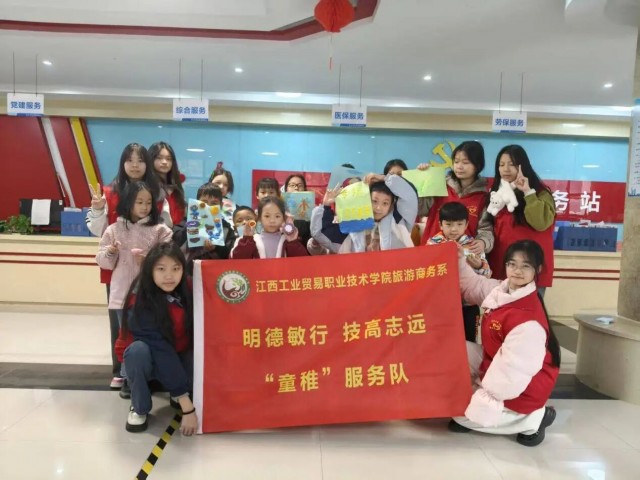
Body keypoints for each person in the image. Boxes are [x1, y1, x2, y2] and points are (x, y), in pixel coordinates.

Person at [449, 240, 560, 447]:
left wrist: (482, 400)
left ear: (537, 270)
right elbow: (473, 285)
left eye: (525, 266)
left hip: (523, 388)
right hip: (496, 362)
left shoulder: (529, 323)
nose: (517, 271)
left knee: (458, 413)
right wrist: (457, 259)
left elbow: (510, 371)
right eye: (512, 264)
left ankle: (534, 418)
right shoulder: (502, 290)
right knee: (453, 352)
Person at [86, 143, 164, 390]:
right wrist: (98, 209)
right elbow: (98, 231)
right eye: (130, 160)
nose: (135, 165)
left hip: (148, 271)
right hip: (118, 268)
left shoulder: (156, 192)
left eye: (140, 160)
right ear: (122, 163)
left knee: (150, 321)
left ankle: (148, 370)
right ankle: (120, 370)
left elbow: (165, 227)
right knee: (119, 323)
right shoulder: (109, 193)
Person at [95, 181, 173, 396]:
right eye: (139, 202)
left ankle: (152, 375)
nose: (145, 207)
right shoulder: (114, 229)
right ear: (128, 202)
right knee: (125, 336)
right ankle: (128, 376)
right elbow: (102, 261)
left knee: (151, 335)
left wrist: (149, 259)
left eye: (148, 202)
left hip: (151, 295)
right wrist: (111, 252)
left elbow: (170, 258)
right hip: (122, 294)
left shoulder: (160, 230)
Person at [121, 242, 198, 435]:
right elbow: (159, 348)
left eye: (176, 268)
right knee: (138, 352)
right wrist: (188, 407)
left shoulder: (188, 288)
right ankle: (139, 407)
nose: (169, 276)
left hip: (178, 352)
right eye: (161, 269)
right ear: (150, 270)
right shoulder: (139, 298)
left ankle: (176, 390)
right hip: (148, 358)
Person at [484, 145, 556, 295]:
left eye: (512, 164)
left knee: (528, 309)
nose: (506, 169)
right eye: (501, 165)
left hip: (529, 271)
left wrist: (527, 192)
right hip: (501, 270)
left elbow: (541, 223)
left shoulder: (541, 193)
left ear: (523, 166)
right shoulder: (497, 195)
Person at [426, 202, 491, 342]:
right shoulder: (432, 244)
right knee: (442, 340)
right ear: (440, 224)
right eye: (449, 224)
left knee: (468, 340)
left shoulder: (473, 245)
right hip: (442, 303)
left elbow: (486, 275)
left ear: (466, 225)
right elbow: (425, 272)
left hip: (468, 304)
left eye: (459, 224)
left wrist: (479, 265)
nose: (454, 229)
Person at [417, 141, 493, 255]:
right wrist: (423, 180)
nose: (459, 166)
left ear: (478, 165)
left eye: (465, 162)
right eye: (456, 161)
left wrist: (483, 242)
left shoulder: (484, 195)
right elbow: (421, 210)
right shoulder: (439, 184)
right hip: (432, 253)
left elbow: (486, 229)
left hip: (463, 256)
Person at [337, 173, 417, 253]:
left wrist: (384, 178)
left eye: (385, 203)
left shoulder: (398, 220)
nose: (378, 208)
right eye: (374, 201)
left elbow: (410, 196)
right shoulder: (357, 220)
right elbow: (341, 250)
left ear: (391, 205)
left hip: (396, 261)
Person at [172, 183, 236, 274]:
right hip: (187, 274)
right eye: (204, 203)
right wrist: (189, 227)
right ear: (197, 203)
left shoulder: (226, 229)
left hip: (214, 274)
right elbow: (175, 243)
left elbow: (229, 255)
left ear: (221, 205)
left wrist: (216, 248)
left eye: (214, 203)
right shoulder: (184, 223)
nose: (208, 207)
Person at [231, 196, 308, 259]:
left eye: (277, 216)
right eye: (267, 216)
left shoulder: (287, 240)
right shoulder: (251, 240)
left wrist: (293, 242)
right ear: (259, 218)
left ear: (283, 218)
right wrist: (247, 239)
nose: (272, 220)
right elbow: (237, 260)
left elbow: (302, 262)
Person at [148, 142, 186, 226]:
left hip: (178, 231)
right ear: (151, 159)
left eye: (168, 159)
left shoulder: (176, 187)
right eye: (159, 158)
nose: (164, 162)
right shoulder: (146, 187)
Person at [283, 173, 313, 248]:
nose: (296, 188)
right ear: (286, 189)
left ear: (305, 189)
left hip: (305, 248)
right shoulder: (279, 208)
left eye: (300, 185)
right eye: (292, 185)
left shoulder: (312, 210)